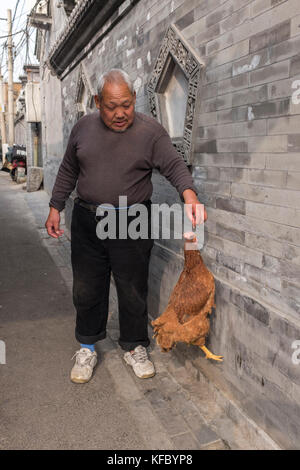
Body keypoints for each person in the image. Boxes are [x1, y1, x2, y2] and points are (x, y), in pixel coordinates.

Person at [45, 69, 207, 384]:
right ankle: (88, 346)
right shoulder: (83, 128)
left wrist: (189, 195)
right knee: (87, 287)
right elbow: (68, 169)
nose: (121, 114)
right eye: (111, 106)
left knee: (133, 287)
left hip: (131, 220)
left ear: (134, 100)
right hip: (88, 220)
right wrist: (55, 207)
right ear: (97, 102)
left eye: (127, 105)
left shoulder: (151, 132)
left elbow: (174, 165)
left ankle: (134, 346)